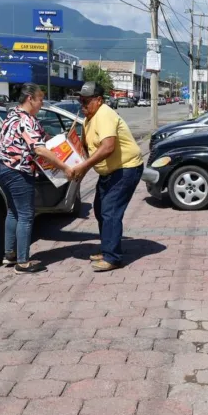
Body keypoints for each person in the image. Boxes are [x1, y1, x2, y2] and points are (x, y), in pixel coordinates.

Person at [0, 83, 72, 273]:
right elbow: (39, 149)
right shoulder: (26, 120)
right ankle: (23, 262)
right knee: (26, 214)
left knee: (13, 211)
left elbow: (44, 138)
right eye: (40, 99)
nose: (42, 104)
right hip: (16, 170)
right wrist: (64, 166)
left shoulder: (13, 115)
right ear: (30, 99)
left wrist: (64, 140)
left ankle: (9, 254)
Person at [70, 81, 144, 272]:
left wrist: (84, 166)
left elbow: (108, 147)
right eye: (80, 100)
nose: (82, 104)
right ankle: (107, 249)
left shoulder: (104, 114)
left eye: (86, 101)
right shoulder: (88, 119)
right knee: (100, 209)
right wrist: (81, 169)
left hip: (125, 168)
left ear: (99, 100)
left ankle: (113, 257)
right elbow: (89, 150)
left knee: (110, 211)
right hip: (109, 171)